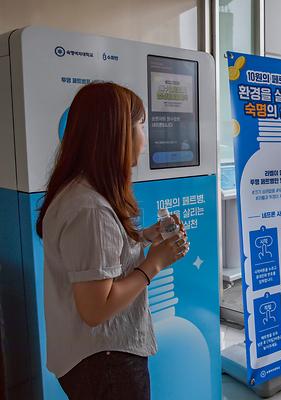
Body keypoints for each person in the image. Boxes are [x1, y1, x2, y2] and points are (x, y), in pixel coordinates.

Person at [36, 82, 189, 399]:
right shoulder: (91, 209)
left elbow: (100, 262)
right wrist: (154, 263)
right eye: (140, 125)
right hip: (105, 361)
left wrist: (145, 236)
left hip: (94, 358)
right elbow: (96, 308)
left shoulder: (82, 191)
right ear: (117, 134)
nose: (144, 137)